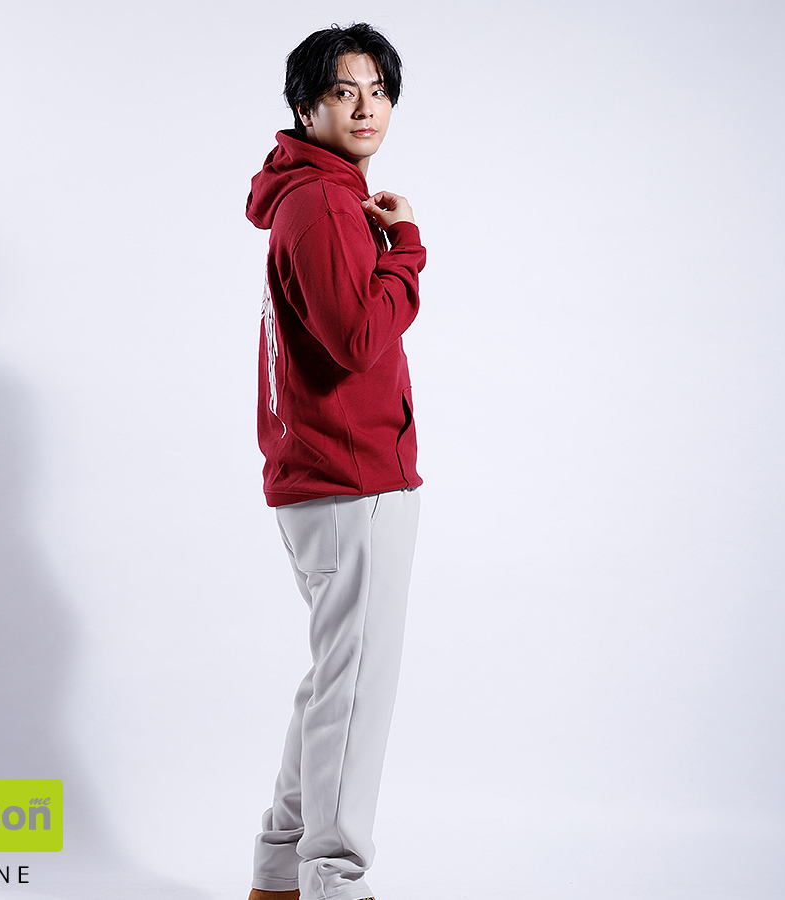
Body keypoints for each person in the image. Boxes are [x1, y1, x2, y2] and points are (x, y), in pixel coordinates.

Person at [245, 22, 426, 900]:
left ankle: (282, 875)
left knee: (335, 685)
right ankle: (334, 882)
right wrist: (409, 251)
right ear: (305, 105)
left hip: (328, 476)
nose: (365, 108)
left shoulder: (318, 196)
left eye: (378, 91)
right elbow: (357, 340)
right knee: (353, 692)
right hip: (352, 480)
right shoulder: (320, 203)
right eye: (343, 91)